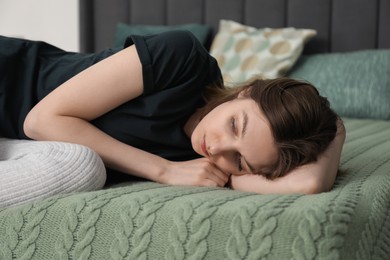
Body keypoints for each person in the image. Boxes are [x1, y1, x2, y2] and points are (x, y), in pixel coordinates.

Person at [0, 30, 345, 206]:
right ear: (248, 90)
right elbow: (42, 120)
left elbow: (308, 185)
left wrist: (336, 131)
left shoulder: (210, 166)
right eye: (235, 124)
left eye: (239, 160)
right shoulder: (182, 58)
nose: (217, 148)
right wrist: (163, 170)